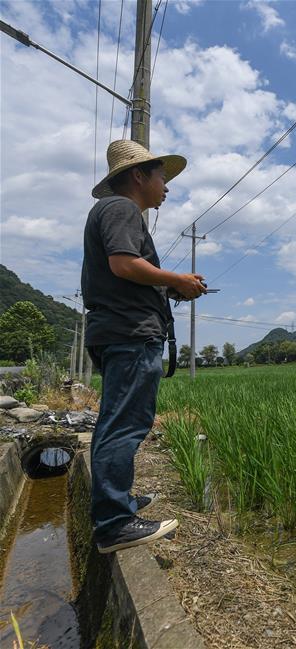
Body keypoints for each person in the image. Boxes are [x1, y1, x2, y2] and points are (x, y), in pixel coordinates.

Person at [82, 139, 206, 554]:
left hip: (119, 330)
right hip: (130, 335)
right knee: (125, 424)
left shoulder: (113, 211)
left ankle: (116, 504)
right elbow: (123, 264)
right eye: (162, 177)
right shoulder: (121, 210)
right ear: (139, 176)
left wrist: (173, 289)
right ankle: (115, 524)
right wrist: (175, 279)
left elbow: (124, 276)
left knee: (116, 419)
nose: (167, 187)